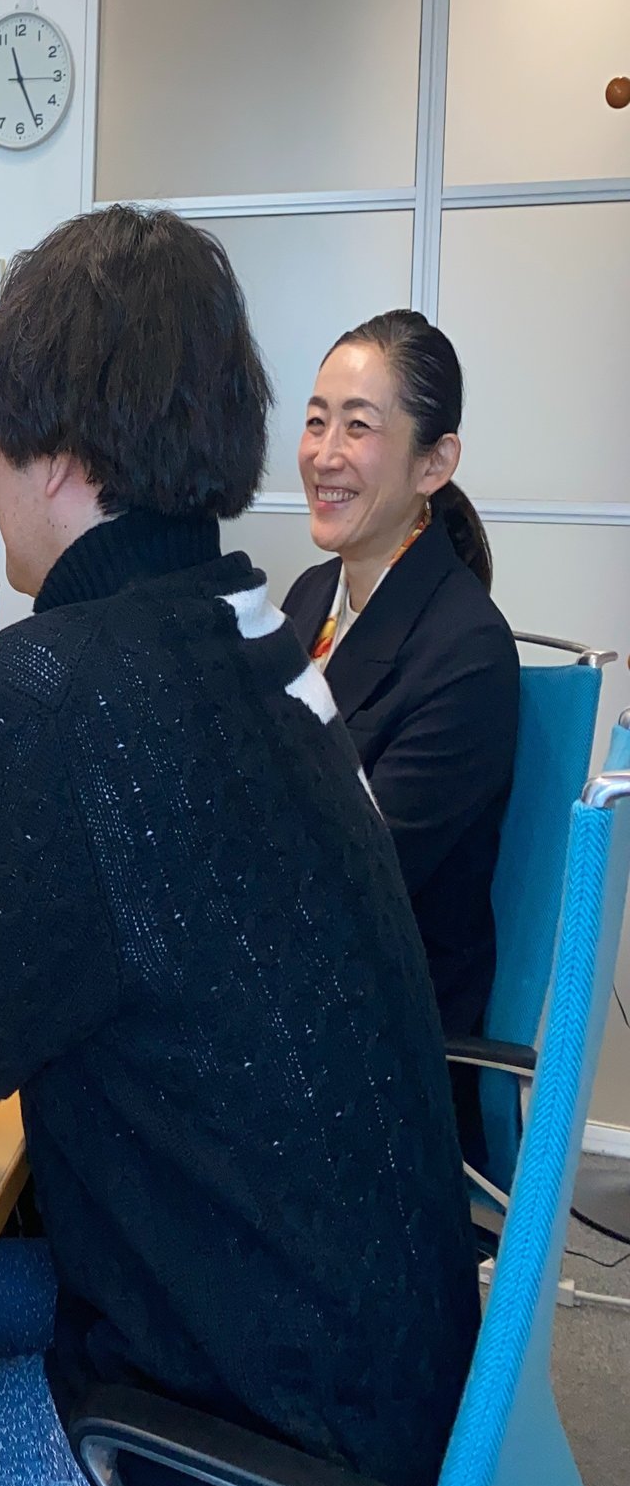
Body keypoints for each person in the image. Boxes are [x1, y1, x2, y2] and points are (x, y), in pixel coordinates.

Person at [0, 208, 478, 1486]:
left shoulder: (60, 684)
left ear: (54, 454)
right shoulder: (252, 636)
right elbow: (92, 922)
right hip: (355, 1379)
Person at [284, 311, 519, 1153]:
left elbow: (346, 878)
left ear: (434, 463)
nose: (325, 454)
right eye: (316, 421)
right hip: (290, 994)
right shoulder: (309, 598)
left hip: (376, 1056)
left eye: (359, 427)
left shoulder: (466, 651)